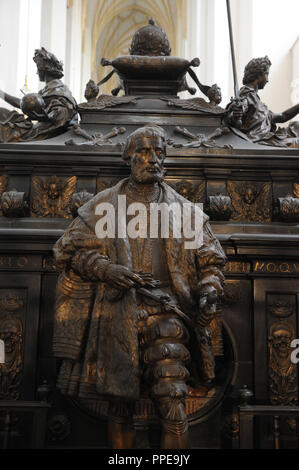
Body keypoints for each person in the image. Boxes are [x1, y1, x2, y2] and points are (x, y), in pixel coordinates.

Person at [52, 124, 226, 449]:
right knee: (120, 405)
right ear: (128, 157)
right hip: (116, 313)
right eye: (145, 152)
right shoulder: (105, 205)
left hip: (167, 313)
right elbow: (70, 250)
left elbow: (210, 261)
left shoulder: (183, 211)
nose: (153, 159)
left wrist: (209, 290)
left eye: (159, 152)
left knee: (173, 403)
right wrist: (105, 269)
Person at [0, 47, 77, 143]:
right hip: (38, 128)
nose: (37, 72)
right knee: (2, 113)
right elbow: (22, 103)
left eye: (38, 66)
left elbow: (58, 120)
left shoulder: (60, 92)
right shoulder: (48, 90)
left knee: (4, 130)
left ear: (45, 67)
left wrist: (37, 113)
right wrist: (1, 94)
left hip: (42, 133)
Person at [227, 56, 299, 147]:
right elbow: (237, 111)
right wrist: (237, 114)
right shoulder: (246, 96)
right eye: (267, 74)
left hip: (265, 140)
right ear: (259, 75)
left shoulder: (257, 102)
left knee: (297, 126)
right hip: (259, 142)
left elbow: (282, 116)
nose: (268, 80)